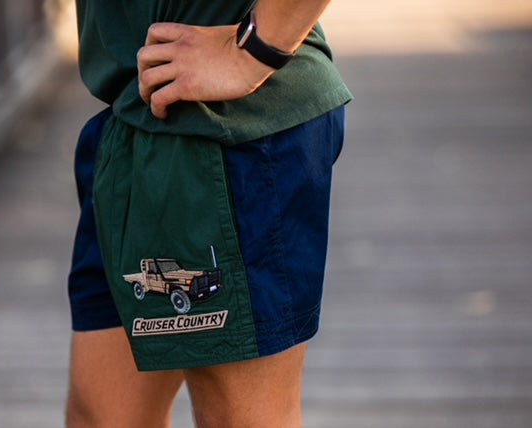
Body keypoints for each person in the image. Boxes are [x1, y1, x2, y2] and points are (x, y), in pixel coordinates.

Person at [65, 0, 352, 426]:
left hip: (226, 128)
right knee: (102, 415)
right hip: (133, 112)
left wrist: (256, 50)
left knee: (237, 415)